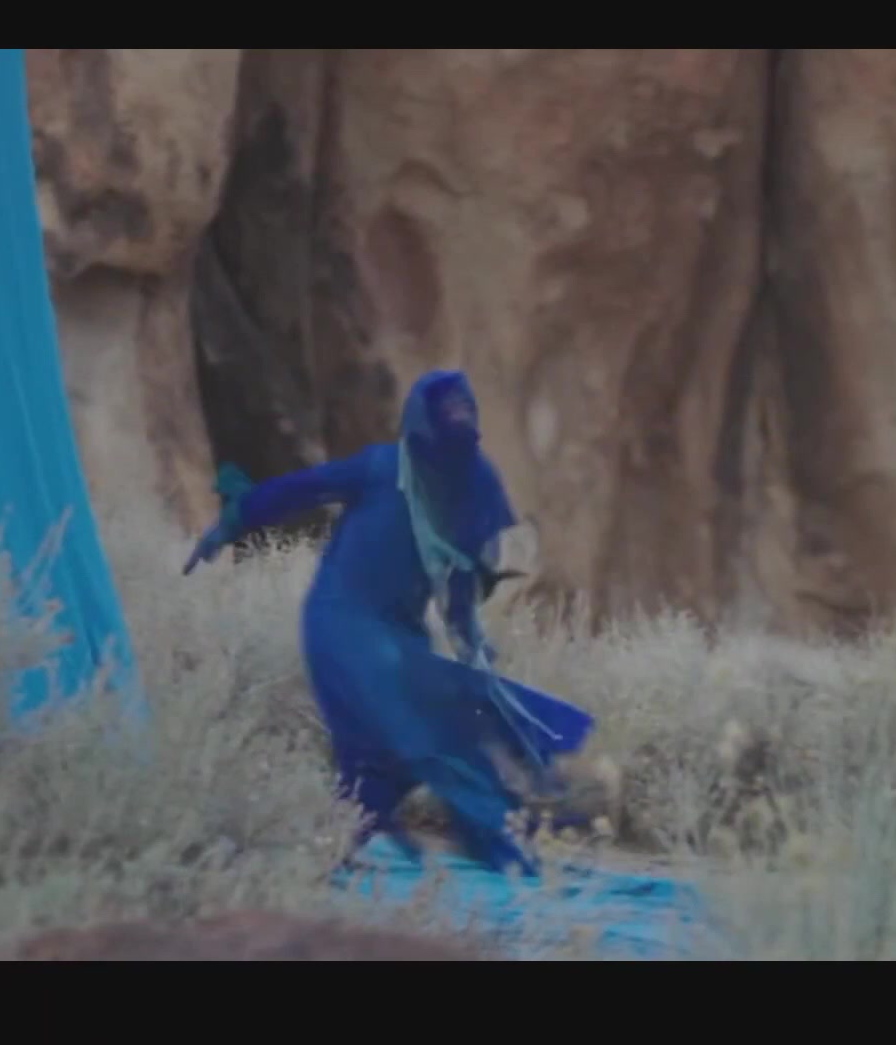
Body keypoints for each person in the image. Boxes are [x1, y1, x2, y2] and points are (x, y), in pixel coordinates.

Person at [181, 369, 596, 876]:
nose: (460, 415)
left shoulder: (477, 484)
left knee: (430, 726)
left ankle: (339, 856)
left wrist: (471, 642)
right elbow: (301, 489)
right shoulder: (384, 468)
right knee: (419, 731)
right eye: (448, 407)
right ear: (423, 417)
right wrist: (233, 520)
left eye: (465, 406)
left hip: (399, 636)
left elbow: (463, 576)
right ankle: (498, 848)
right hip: (342, 624)